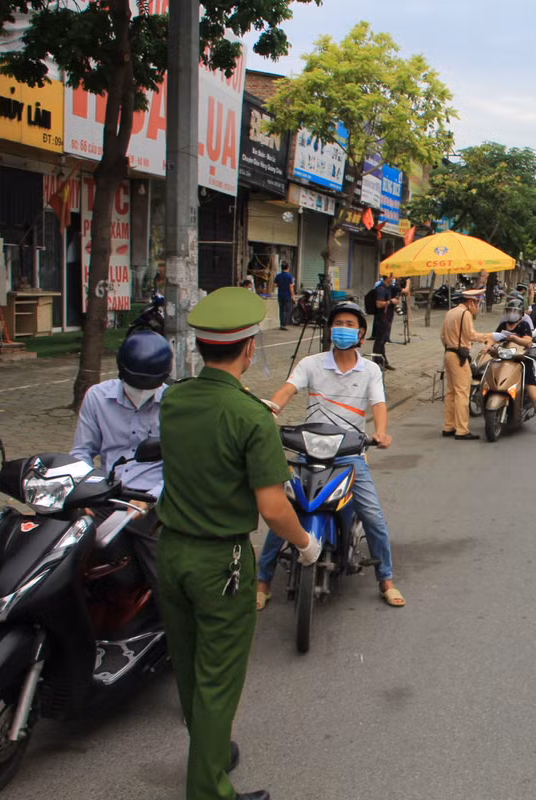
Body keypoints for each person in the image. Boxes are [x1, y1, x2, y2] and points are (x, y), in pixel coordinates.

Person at [157, 287, 320, 800]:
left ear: (200, 345)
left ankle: (210, 751)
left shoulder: (174, 399)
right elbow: (273, 507)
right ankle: (209, 790)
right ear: (249, 348)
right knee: (218, 678)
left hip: (170, 551)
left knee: (189, 667)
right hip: (220, 561)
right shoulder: (251, 416)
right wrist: (306, 545)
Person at [256, 301, 402, 607]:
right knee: (284, 512)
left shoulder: (370, 370)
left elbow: (378, 405)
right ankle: (263, 581)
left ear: (361, 333)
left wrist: (381, 432)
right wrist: (269, 411)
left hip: (349, 455)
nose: (343, 329)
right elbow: (287, 390)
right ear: (330, 329)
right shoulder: (311, 364)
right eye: (338, 324)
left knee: (373, 517)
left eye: (350, 325)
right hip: (310, 453)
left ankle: (386, 579)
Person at [71, 329, 172, 589]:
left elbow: (180, 466)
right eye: (135, 385)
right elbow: (82, 452)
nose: (140, 393)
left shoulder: (174, 405)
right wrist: (84, 493)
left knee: (164, 578)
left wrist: (149, 499)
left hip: (154, 502)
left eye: (149, 387)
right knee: (70, 559)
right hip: (107, 495)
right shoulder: (97, 397)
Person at [441, 288, 496, 440]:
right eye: (478, 303)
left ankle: (448, 426)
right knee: (462, 392)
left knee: (451, 392)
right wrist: (489, 336)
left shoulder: (450, 312)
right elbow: (471, 335)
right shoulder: (465, 314)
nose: (478, 307)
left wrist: (451, 345)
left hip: (449, 353)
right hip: (459, 356)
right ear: (471, 302)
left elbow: (442, 336)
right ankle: (461, 430)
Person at [494, 298, 536, 434]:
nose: (511, 314)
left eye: (514, 311)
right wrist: (489, 346)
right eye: (509, 311)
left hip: (522, 361)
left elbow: (528, 342)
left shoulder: (524, 325)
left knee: (533, 393)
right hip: (504, 359)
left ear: (520, 313)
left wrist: (514, 338)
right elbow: (494, 339)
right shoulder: (503, 325)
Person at [373, 273, 400, 369]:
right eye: (392, 277)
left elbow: (402, 290)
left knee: (383, 340)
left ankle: (383, 361)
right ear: (387, 277)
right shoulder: (381, 289)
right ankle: (376, 363)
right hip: (382, 318)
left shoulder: (388, 288)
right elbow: (379, 304)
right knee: (379, 341)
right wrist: (391, 301)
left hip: (388, 317)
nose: (393, 279)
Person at [273, 262, 294, 330]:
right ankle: (284, 324)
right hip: (287, 295)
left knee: (281, 310)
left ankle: (281, 324)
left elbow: (275, 285)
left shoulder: (278, 275)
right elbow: (291, 287)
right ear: (288, 268)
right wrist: (292, 295)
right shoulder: (289, 276)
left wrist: (280, 285)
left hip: (280, 295)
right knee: (287, 310)